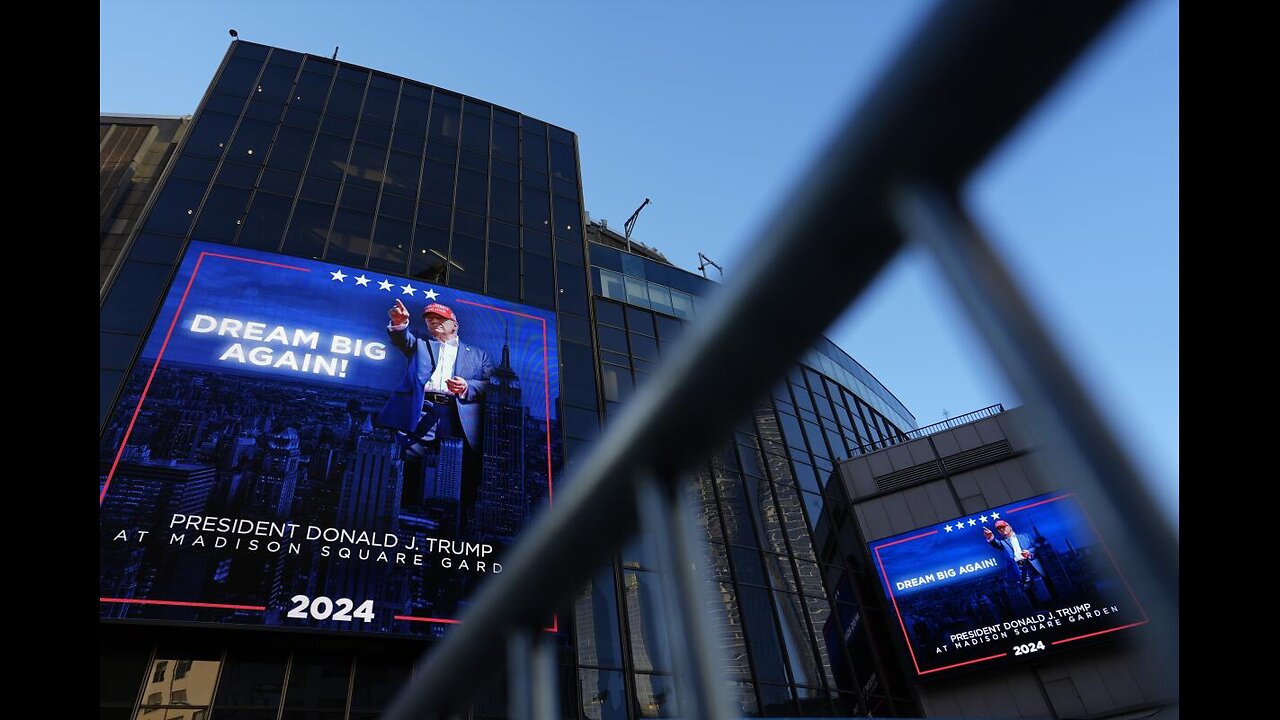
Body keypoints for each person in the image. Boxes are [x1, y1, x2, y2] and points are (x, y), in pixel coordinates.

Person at [377, 299, 492, 532]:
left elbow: (491, 385)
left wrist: (468, 386)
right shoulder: (420, 342)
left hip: (457, 414)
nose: (433, 322)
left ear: (455, 325)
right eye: (430, 319)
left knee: (458, 470)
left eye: (440, 319)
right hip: (422, 410)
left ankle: (453, 526)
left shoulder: (479, 356)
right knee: (407, 462)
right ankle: (399, 517)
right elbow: (402, 338)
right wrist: (399, 324)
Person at [983, 519, 1055, 603]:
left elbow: (1035, 548)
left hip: (1032, 564)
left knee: (1047, 585)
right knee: (1029, 591)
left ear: (1009, 526)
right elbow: (995, 543)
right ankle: (1039, 609)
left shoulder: (1025, 536)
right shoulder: (1002, 542)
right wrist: (990, 538)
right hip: (1020, 567)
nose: (1002, 529)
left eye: (1003, 526)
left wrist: (1029, 552)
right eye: (999, 529)